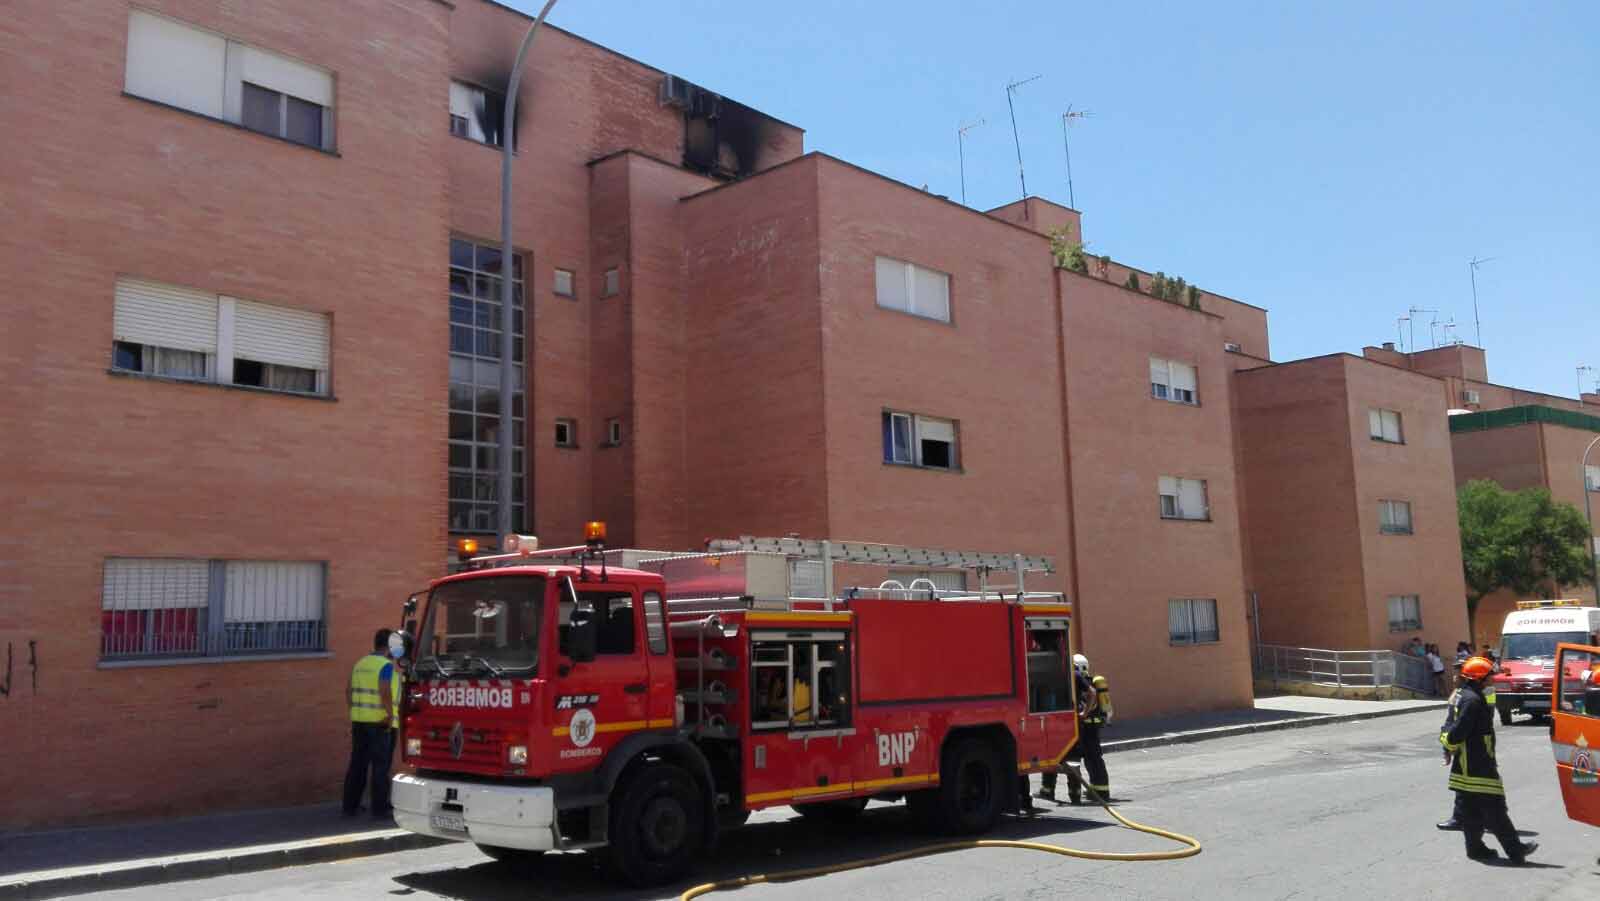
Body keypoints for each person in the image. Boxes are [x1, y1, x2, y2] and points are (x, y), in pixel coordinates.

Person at [1439, 656, 1537, 863]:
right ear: (1479, 678)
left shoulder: (1463, 695)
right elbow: (1458, 731)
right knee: (1495, 808)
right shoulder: (1472, 701)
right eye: (1490, 676)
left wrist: (1446, 746)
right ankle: (1516, 851)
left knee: (1471, 811)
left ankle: (1475, 849)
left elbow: (1448, 724)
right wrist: (1449, 745)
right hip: (1477, 765)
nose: (1493, 679)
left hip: (1467, 765)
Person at [1038, 654, 1112, 805]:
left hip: (1077, 727)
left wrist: (1083, 714)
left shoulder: (1073, 678)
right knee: (1094, 760)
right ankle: (1100, 791)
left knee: (1058, 756)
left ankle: (1049, 790)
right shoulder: (1091, 681)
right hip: (1092, 728)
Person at [343, 628, 398, 819]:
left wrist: (354, 713)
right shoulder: (385, 665)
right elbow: (384, 690)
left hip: (359, 721)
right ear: (389, 647)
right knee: (380, 767)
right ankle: (380, 809)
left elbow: (348, 691)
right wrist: (389, 715)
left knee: (357, 764)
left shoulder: (360, 664)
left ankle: (350, 807)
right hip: (379, 723)